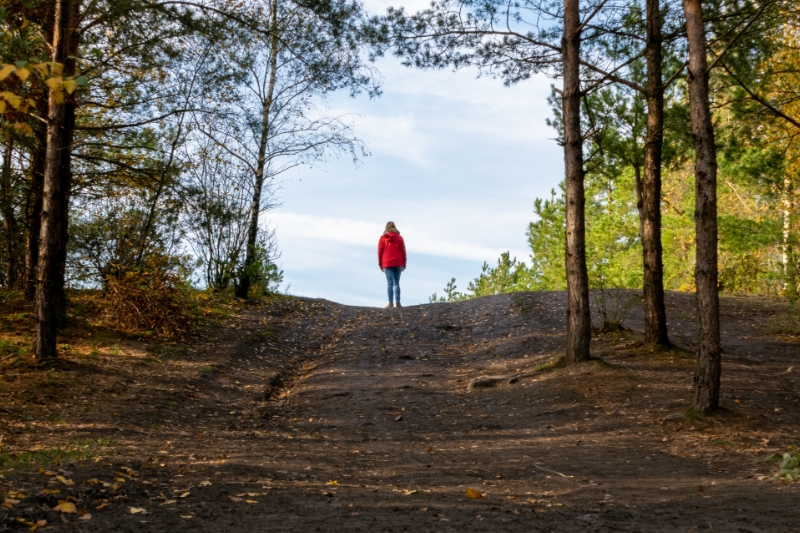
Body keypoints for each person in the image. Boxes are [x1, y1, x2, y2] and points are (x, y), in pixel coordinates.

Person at [378, 221, 406, 309]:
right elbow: (403, 251)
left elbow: (380, 252)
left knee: (390, 284)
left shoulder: (383, 238)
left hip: (387, 263)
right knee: (396, 283)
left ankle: (390, 304)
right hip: (398, 262)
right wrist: (404, 264)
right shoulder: (400, 238)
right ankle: (398, 303)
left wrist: (380, 264)